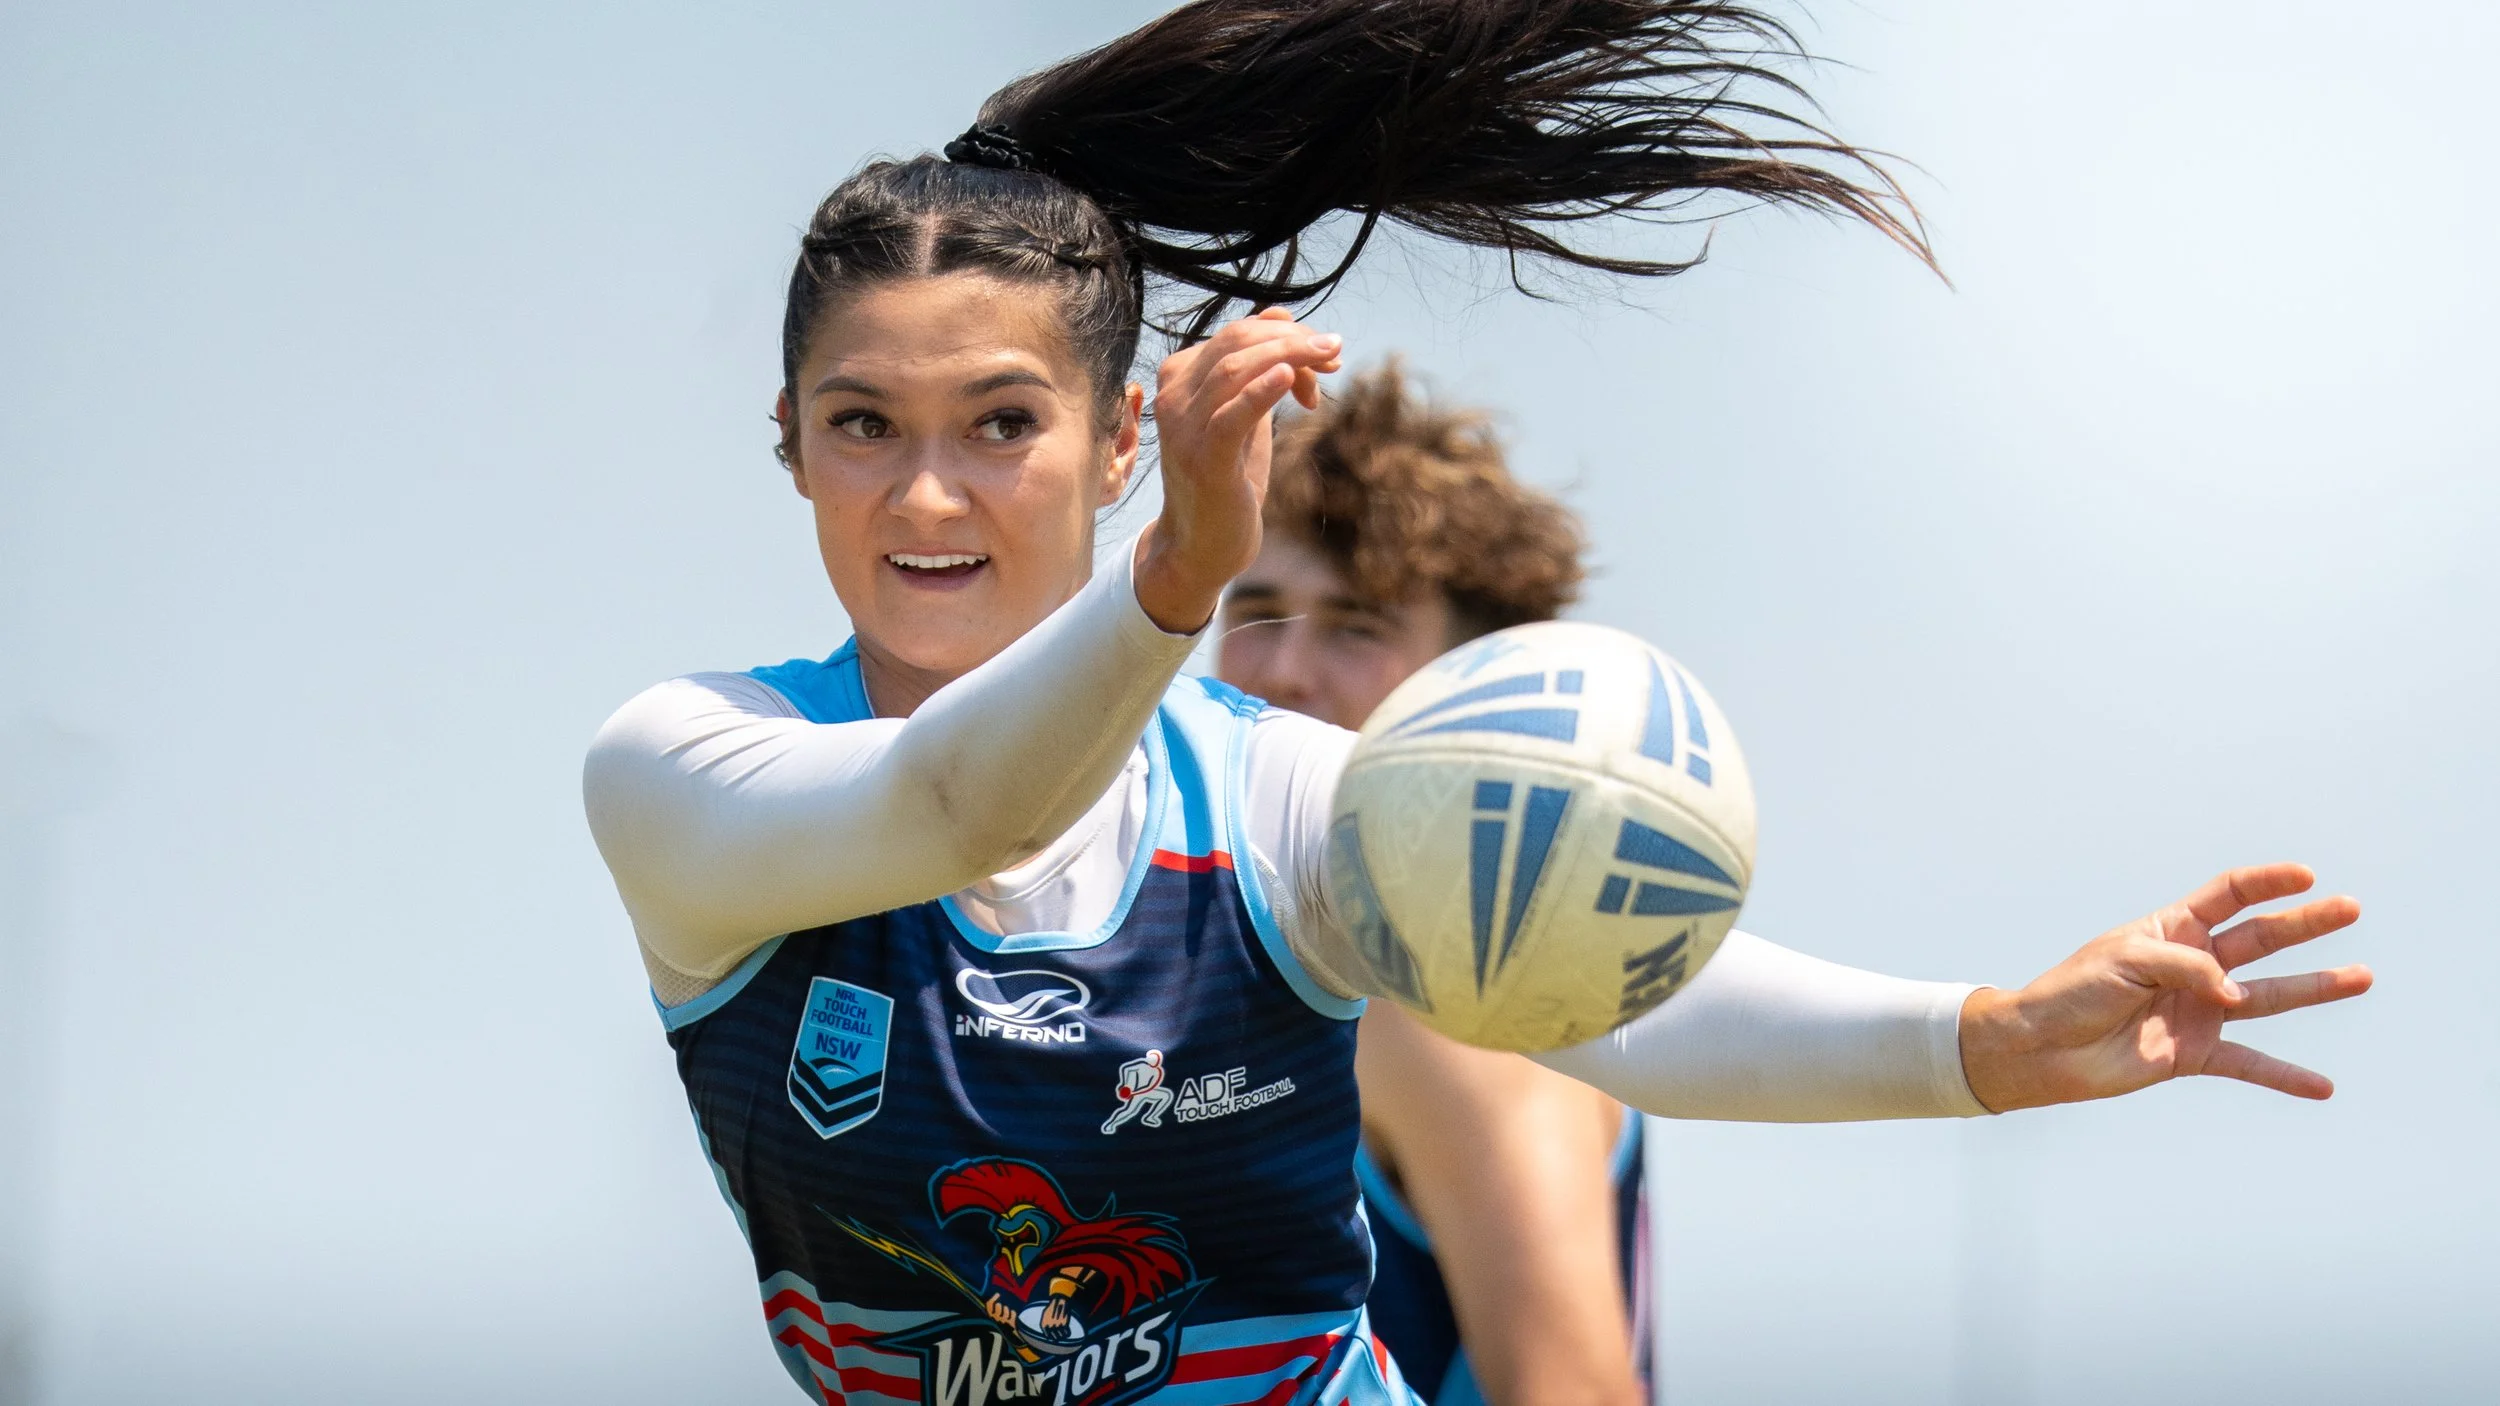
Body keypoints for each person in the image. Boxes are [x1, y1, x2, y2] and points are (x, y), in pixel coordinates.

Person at [581, 3, 2372, 1403]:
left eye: (1001, 422)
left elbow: (1579, 1005)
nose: (928, 496)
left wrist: (1978, 1037)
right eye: (861, 427)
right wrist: (1173, 580)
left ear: (1122, 440)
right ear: (792, 451)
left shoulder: (1280, 800)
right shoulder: (688, 772)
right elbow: (958, 807)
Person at [1216, 363, 1649, 1406]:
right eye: (1260, 609)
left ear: (1473, 694)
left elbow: (1574, 1391)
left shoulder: (1450, 999)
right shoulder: (1250, 961)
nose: (1284, 667)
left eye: (1358, 626)